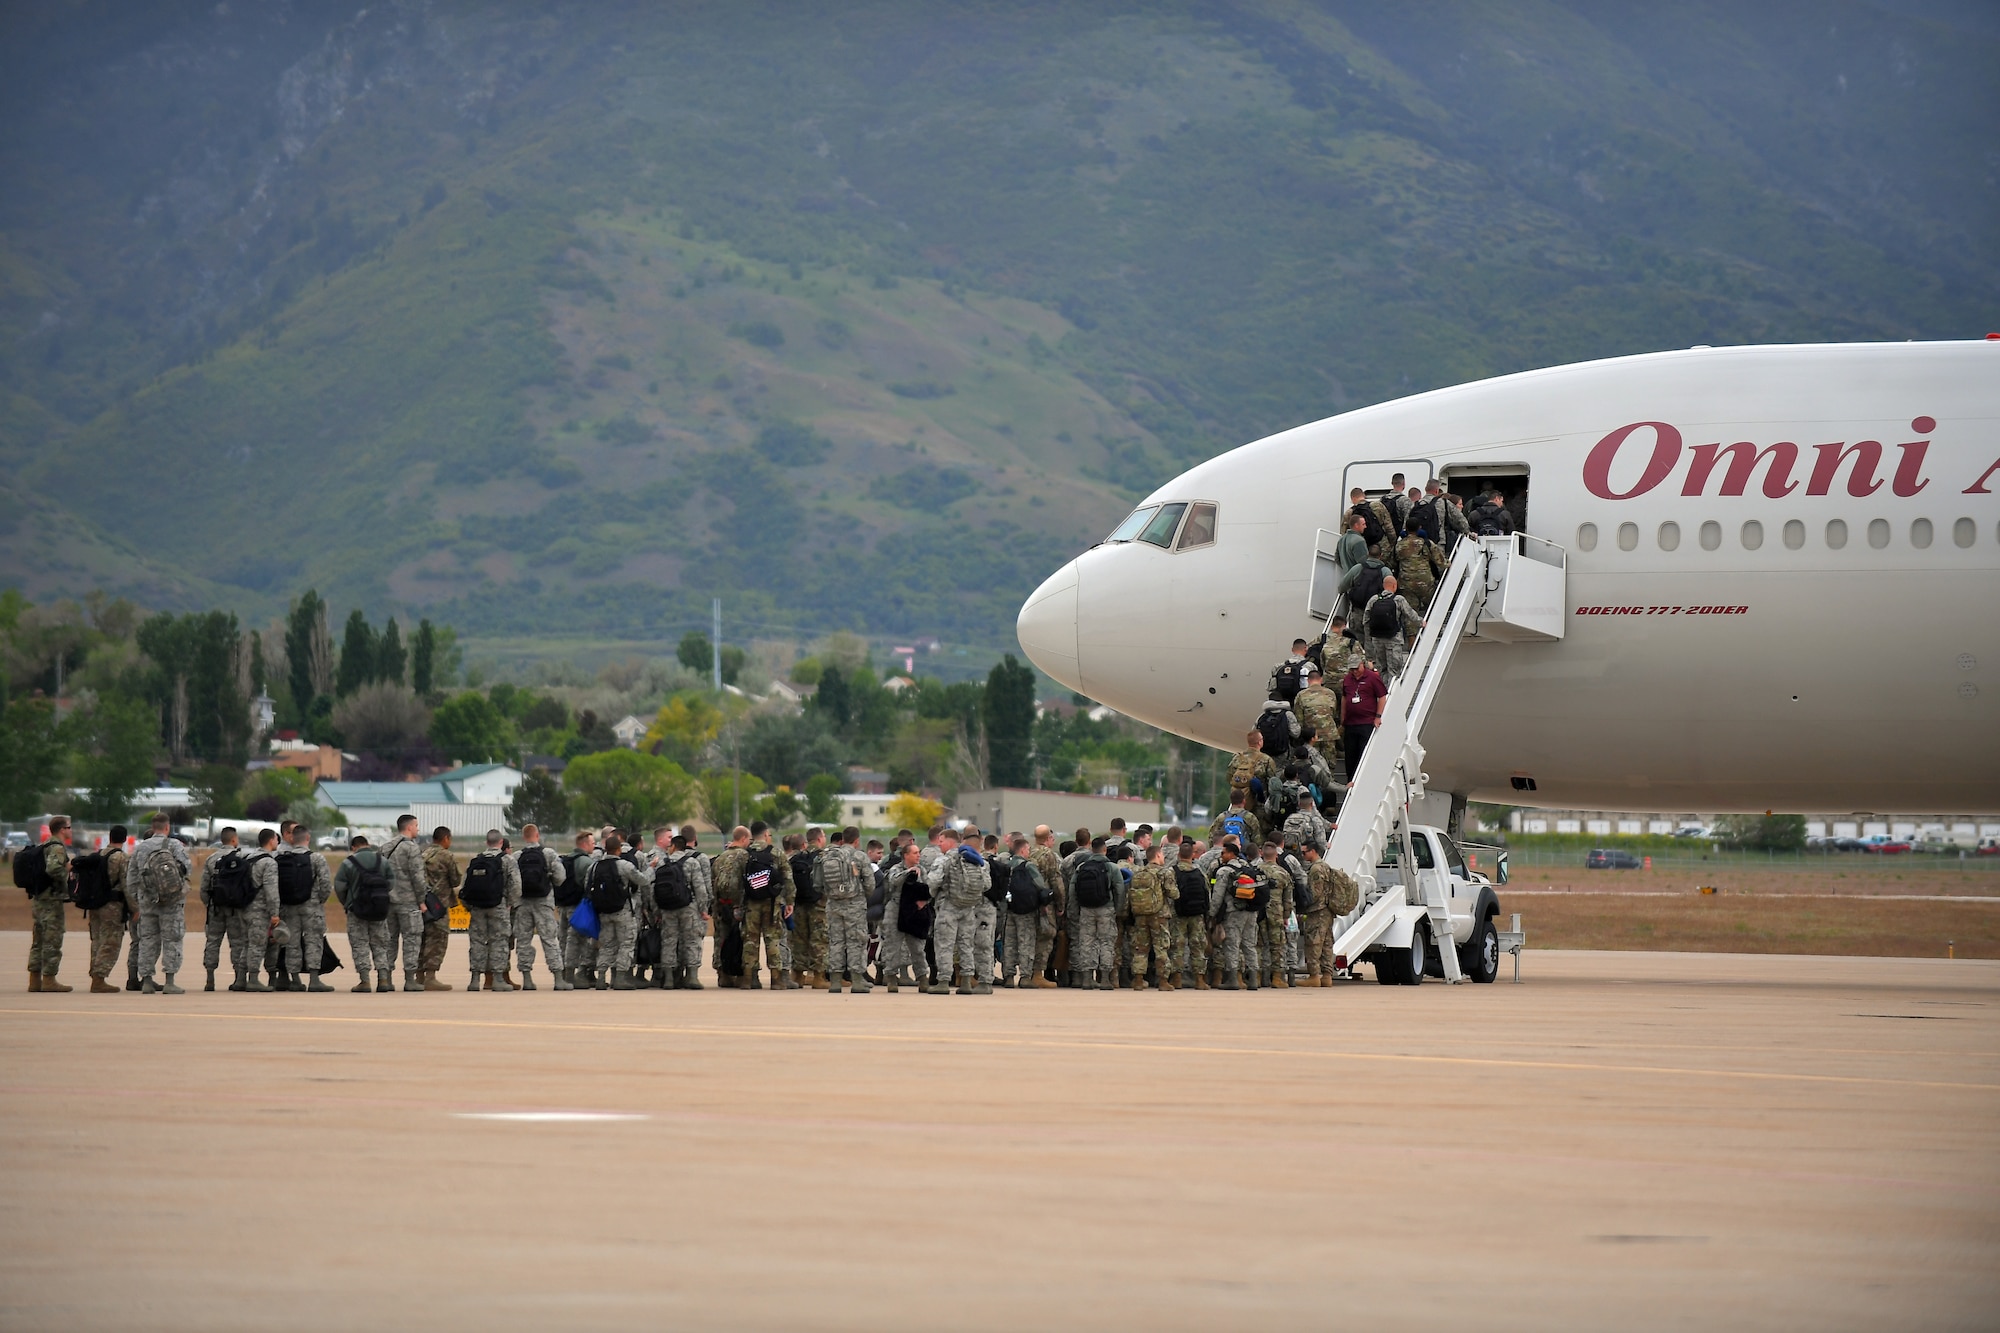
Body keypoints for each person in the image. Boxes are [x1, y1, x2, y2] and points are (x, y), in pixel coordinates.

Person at [128, 814, 191, 994]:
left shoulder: (141, 848)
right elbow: (187, 868)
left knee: (147, 940)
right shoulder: (174, 845)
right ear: (167, 827)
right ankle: (170, 982)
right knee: (172, 940)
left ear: (152, 827)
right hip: (172, 902)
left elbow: (131, 878)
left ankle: (147, 981)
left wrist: (138, 899)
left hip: (147, 902)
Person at [922, 829, 991, 995]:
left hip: (948, 907)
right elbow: (987, 885)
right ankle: (966, 981)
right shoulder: (979, 861)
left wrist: (930, 896)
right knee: (966, 945)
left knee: (945, 944)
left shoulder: (944, 860)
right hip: (968, 908)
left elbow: (932, 882)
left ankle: (944, 981)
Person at [585, 831, 649, 990]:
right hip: (623, 911)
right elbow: (643, 880)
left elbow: (587, 887)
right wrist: (651, 869)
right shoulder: (624, 866)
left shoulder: (594, 867)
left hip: (603, 912)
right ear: (619, 849)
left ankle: (601, 977)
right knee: (626, 943)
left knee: (606, 945)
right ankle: (620, 977)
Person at [739, 821, 797, 991]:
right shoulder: (776, 853)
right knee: (773, 939)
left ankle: (749, 979)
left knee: (750, 940)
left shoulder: (744, 854)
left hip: (751, 903)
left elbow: (738, 883)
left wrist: (738, 904)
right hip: (773, 903)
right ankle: (776, 980)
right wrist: (790, 902)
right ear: (766, 834)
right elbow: (788, 880)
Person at [277, 823, 334, 992]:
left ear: (292, 839)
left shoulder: (282, 858)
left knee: (291, 942)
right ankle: (314, 979)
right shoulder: (316, 858)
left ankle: (294, 979)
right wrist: (318, 901)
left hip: (289, 907)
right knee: (313, 941)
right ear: (308, 838)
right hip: (312, 907)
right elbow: (325, 885)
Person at [510, 822, 569, 990]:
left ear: (524, 837)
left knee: (523, 941)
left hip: (523, 903)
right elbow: (560, 877)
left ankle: (527, 979)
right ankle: (558, 979)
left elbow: (513, 882)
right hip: (544, 902)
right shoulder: (548, 853)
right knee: (550, 939)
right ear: (537, 835)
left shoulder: (516, 856)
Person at [461, 829, 520, 992]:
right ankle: (498, 979)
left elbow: (464, 886)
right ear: (501, 843)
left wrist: (469, 906)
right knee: (499, 941)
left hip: (478, 907)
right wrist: (509, 904)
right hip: (498, 906)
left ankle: (474, 980)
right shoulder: (507, 860)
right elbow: (516, 885)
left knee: (477, 941)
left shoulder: (475, 860)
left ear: (487, 843)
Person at [648, 830, 708, 989]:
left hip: (667, 909)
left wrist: (657, 912)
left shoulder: (661, 862)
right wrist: (703, 909)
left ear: (674, 846)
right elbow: (700, 888)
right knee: (691, 941)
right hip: (688, 907)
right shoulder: (692, 863)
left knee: (668, 941)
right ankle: (692, 977)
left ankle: (668, 979)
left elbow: (653, 889)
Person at [335, 835, 395, 993]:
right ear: (368, 845)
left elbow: (339, 886)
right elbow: (391, 882)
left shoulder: (348, 863)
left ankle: (365, 981)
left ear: (354, 847)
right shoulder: (382, 861)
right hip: (379, 909)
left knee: (360, 944)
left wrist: (347, 903)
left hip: (357, 910)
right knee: (380, 944)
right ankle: (383, 979)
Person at [382, 814, 433, 993]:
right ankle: (410, 979)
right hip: (408, 902)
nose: (418, 829)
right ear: (409, 827)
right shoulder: (411, 848)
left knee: (389, 940)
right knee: (412, 939)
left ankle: (385, 978)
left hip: (387, 901)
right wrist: (422, 900)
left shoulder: (386, 847)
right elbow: (418, 878)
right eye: (416, 825)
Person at [821, 826, 873, 993]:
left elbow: (819, 882)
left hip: (833, 904)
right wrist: (863, 895)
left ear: (842, 840)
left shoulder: (829, 855)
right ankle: (856, 980)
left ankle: (835, 981)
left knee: (835, 942)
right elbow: (870, 884)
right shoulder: (859, 856)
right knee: (855, 941)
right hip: (854, 905)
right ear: (856, 840)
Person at [1062, 835, 1117, 991]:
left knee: (1086, 942)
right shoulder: (1111, 867)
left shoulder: (1081, 868)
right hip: (1106, 908)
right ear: (1105, 850)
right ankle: (1105, 979)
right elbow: (1119, 888)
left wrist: (1073, 910)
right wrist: (1116, 908)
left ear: (1092, 850)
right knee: (1106, 942)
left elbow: (1072, 891)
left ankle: (1086, 978)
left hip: (1086, 909)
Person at [1301, 841, 1358, 986]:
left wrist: (1302, 901)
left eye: (1304, 852)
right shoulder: (1326, 867)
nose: (1303, 855)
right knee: (1327, 943)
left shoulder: (1316, 869)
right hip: (1327, 911)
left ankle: (1314, 976)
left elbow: (1315, 893)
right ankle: (1327, 976)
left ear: (1313, 851)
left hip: (1317, 911)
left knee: (1313, 942)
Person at [1209, 840, 1263, 991]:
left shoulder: (1224, 871)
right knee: (1249, 944)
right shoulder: (1248, 867)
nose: (1221, 855)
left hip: (1234, 912)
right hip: (1251, 911)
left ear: (1231, 853)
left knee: (1232, 944)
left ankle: (1232, 979)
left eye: (1223, 853)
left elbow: (1217, 895)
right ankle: (1253, 980)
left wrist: (1212, 914)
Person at [235, 828, 282, 993]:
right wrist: (275, 913)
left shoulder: (248, 858)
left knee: (247, 944)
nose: (277, 842)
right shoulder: (269, 862)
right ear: (271, 840)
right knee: (257, 944)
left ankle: (241, 978)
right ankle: (253, 979)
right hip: (259, 910)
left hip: (245, 908)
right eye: (276, 839)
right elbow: (271, 890)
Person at [1125, 845, 1178, 991]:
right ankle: (1163, 981)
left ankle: (1138, 980)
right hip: (1159, 915)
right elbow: (1174, 894)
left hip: (1140, 915)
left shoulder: (1138, 872)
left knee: (1140, 948)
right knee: (1161, 947)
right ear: (1159, 855)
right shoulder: (1165, 872)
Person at [85, 825, 130, 994]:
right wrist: (134, 907)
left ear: (110, 838)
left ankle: (96, 975)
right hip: (112, 906)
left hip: (95, 904)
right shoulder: (122, 858)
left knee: (97, 940)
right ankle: (99, 978)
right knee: (111, 941)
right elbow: (127, 885)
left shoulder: (98, 855)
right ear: (124, 839)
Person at [418, 826, 461, 992]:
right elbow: (456, 880)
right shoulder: (446, 855)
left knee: (423, 938)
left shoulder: (422, 854)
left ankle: (419, 976)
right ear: (445, 839)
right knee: (438, 939)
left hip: (423, 903)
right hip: (439, 905)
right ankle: (430, 977)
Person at [884, 841, 931, 994]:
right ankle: (891, 976)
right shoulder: (896, 868)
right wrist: (908, 873)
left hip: (914, 910)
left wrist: (924, 901)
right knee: (893, 946)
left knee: (917, 947)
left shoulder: (922, 870)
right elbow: (894, 881)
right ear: (906, 855)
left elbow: (930, 888)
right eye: (915, 853)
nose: (918, 856)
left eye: (919, 853)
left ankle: (922, 977)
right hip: (896, 909)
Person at [1168, 840, 1211, 989]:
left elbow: (1169, 894)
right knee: (1197, 946)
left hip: (1178, 914)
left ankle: (1177, 979)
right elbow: (1207, 894)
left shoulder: (1172, 871)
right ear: (1192, 855)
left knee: (1177, 946)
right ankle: (1200, 980)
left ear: (1178, 855)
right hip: (1197, 914)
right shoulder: (1199, 872)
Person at [562, 830, 601, 988]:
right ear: (584, 845)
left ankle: (566, 972)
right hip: (578, 906)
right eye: (592, 843)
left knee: (564, 939)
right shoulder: (586, 862)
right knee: (577, 939)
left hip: (564, 904)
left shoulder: (567, 858)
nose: (594, 845)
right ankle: (572, 975)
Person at [1364, 573, 1423, 677]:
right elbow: (1410, 614)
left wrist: (1369, 644)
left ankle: (1382, 691)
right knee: (1394, 672)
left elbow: (1366, 621)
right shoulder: (1398, 599)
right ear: (1394, 586)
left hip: (1377, 641)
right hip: (1393, 640)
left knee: (1382, 670)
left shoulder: (1373, 599)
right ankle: (1391, 692)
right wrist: (1421, 622)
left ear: (1383, 585)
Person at [1339, 657, 1388, 780]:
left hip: (1366, 722)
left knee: (1363, 753)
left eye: (1356, 668)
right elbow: (1345, 698)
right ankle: (1351, 780)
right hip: (1351, 723)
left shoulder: (1372, 677)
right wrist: (1342, 718)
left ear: (1362, 665)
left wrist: (1378, 716)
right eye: (1352, 669)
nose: (1354, 671)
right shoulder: (1347, 679)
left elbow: (1382, 696)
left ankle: (1364, 779)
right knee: (1350, 756)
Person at [1258, 842, 1295, 988]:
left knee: (1258, 945)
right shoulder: (1283, 873)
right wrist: (1286, 916)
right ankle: (1277, 978)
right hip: (1276, 913)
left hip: (1258, 913)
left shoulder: (1255, 870)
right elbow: (1288, 899)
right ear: (1276, 855)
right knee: (1277, 945)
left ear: (1262, 854)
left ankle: (1259, 976)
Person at [1226, 729, 1281, 815]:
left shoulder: (1237, 758)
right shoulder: (1266, 760)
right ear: (1259, 742)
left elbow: (1229, 778)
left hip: (1238, 804)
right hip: (1258, 805)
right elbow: (1273, 783)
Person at [1393, 524, 1443, 615]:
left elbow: (1395, 560)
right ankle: (1432, 626)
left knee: (1410, 613)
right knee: (1433, 608)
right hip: (1425, 582)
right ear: (1419, 528)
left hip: (1406, 583)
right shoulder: (1426, 543)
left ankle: (1412, 629)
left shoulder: (1399, 545)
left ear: (1406, 529)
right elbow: (1440, 561)